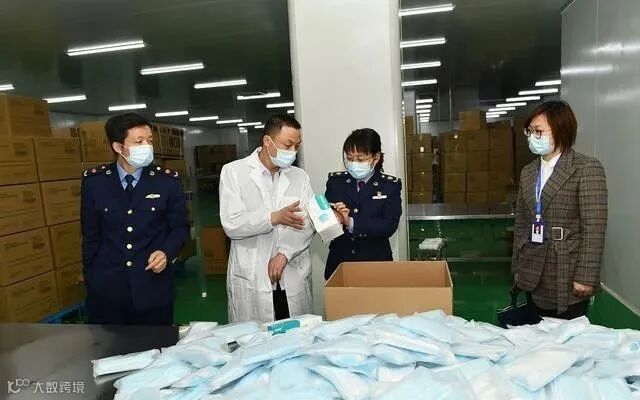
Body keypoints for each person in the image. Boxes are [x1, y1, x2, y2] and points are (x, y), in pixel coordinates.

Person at [81, 113, 189, 325]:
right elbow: (90, 235)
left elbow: (179, 228)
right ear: (118, 147)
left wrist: (166, 252)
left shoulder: (166, 181)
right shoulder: (95, 182)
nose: (146, 147)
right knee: (108, 345)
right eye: (138, 142)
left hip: (152, 289)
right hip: (108, 291)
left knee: (157, 344)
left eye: (149, 141)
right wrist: (91, 278)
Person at [512, 101, 608, 319]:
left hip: (566, 267)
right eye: (529, 131)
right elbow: (521, 223)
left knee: (565, 333)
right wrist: (517, 267)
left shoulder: (585, 168)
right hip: (532, 266)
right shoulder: (528, 172)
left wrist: (585, 276)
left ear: (560, 130)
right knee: (534, 330)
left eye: (538, 131)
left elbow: (594, 228)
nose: (532, 137)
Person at [219, 114, 315, 323]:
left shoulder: (300, 177)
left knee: (296, 335)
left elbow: (309, 223)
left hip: (291, 274)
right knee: (254, 338)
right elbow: (232, 223)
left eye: (297, 146)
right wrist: (273, 218)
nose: (293, 152)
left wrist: (285, 254)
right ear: (267, 141)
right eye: (288, 145)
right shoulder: (234, 173)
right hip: (252, 276)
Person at [324, 128, 402, 280]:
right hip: (340, 262)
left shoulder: (389, 186)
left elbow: (389, 226)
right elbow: (326, 224)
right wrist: (333, 219)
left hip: (375, 264)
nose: (354, 164)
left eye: (360, 159)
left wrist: (350, 222)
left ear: (376, 157)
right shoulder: (336, 183)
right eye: (350, 158)